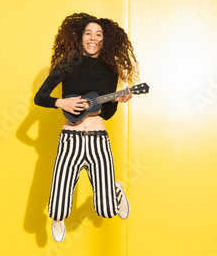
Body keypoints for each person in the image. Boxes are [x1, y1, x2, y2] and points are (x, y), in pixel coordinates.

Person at [34, 12, 140, 243]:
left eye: (98, 34)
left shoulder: (110, 70)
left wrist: (116, 101)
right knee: (59, 207)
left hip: (98, 140)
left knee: (106, 210)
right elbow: (40, 97)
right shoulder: (66, 65)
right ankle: (58, 218)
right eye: (88, 33)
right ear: (80, 37)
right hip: (69, 141)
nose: (93, 38)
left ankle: (116, 191)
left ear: (105, 39)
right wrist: (61, 102)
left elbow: (107, 114)